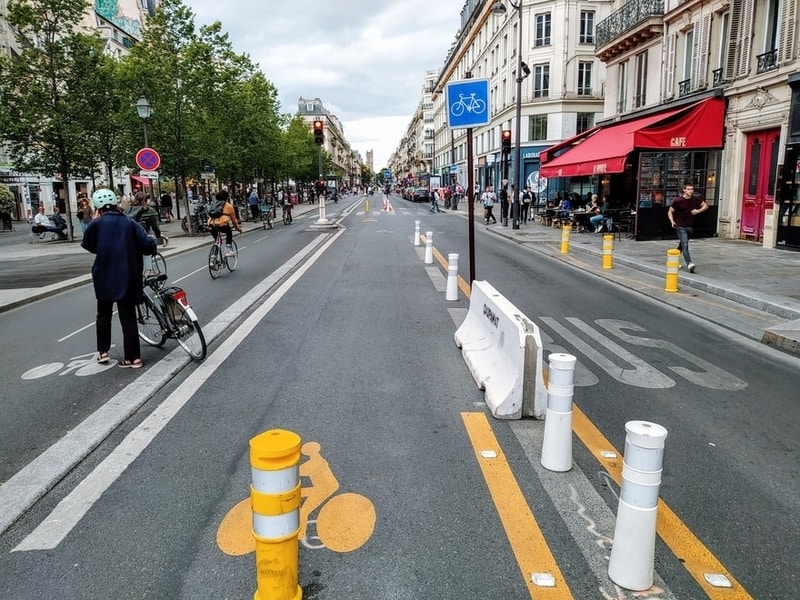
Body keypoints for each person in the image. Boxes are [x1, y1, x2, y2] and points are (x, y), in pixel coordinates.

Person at [81, 188, 157, 369]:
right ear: (116, 204)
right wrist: (152, 243)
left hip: (104, 275)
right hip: (128, 275)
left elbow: (89, 245)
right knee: (128, 316)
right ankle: (133, 359)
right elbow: (146, 244)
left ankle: (103, 352)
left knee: (103, 315)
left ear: (98, 206)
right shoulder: (129, 223)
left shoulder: (95, 224)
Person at [668, 182, 708, 273]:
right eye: (689, 189)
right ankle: (689, 263)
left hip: (690, 226)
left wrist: (698, 211)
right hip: (680, 225)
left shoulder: (695, 199)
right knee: (685, 244)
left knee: (682, 244)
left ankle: (673, 259)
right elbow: (670, 211)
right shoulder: (678, 201)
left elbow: (705, 206)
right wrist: (672, 221)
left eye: (692, 189)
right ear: (684, 190)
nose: (690, 191)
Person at [208, 189, 241, 256]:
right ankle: (228, 250)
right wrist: (237, 228)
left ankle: (213, 257)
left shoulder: (213, 204)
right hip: (222, 224)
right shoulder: (228, 206)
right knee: (229, 232)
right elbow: (233, 220)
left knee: (217, 241)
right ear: (226, 197)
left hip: (211, 225)